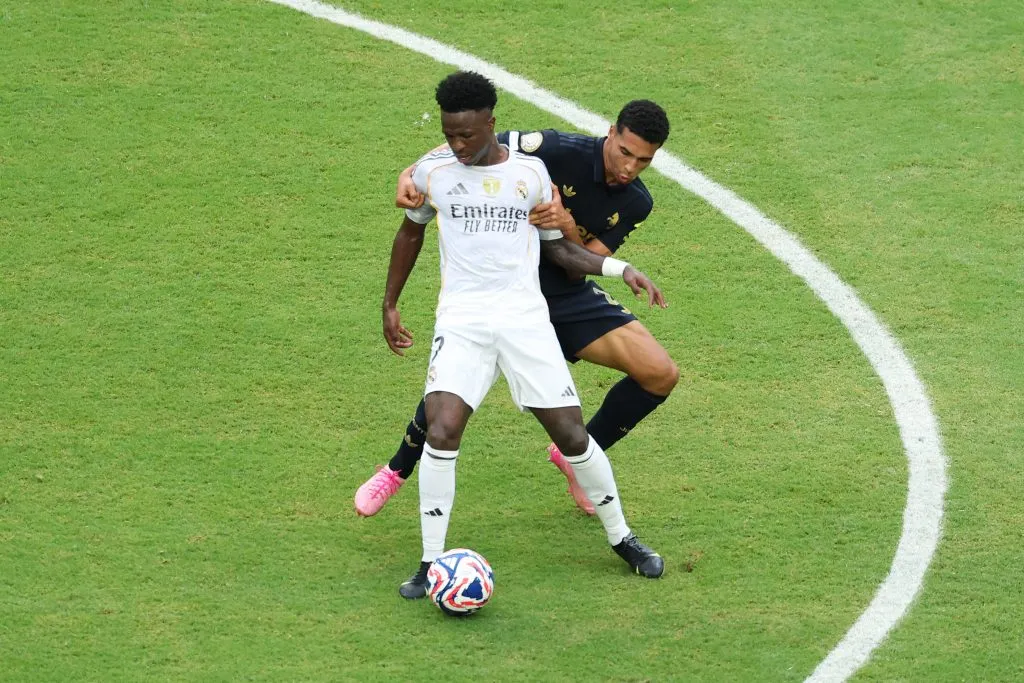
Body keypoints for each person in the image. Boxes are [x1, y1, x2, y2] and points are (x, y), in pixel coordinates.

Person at [384, 71, 667, 597]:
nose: (457, 145)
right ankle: (429, 563)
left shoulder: (531, 175)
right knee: (443, 429)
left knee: (572, 436)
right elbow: (410, 232)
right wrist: (391, 303)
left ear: (491, 124)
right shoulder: (433, 173)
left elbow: (559, 251)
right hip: (462, 321)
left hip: (524, 319)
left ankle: (622, 537)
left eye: (466, 135)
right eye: (449, 135)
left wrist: (618, 270)